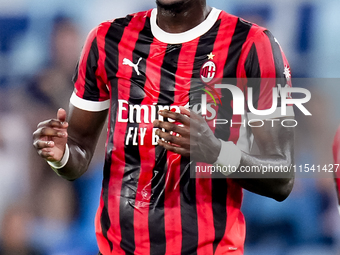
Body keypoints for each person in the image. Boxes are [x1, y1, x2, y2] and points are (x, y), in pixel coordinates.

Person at [33, 0, 295, 254]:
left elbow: (282, 177)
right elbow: (79, 148)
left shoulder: (253, 45)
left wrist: (214, 151)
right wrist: (62, 155)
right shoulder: (106, 40)